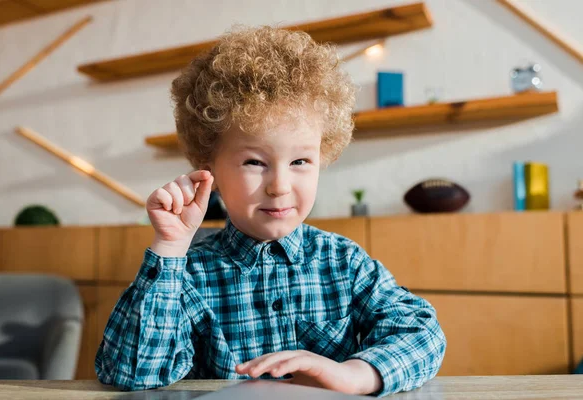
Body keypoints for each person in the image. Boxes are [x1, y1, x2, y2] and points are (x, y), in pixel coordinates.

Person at [95, 25, 446, 397]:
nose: (279, 185)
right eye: (254, 162)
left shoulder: (344, 263)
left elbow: (422, 333)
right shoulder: (187, 275)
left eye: (300, 160)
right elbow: (130, 374)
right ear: (208, 166)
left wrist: (356, 374)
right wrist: (169, 246)